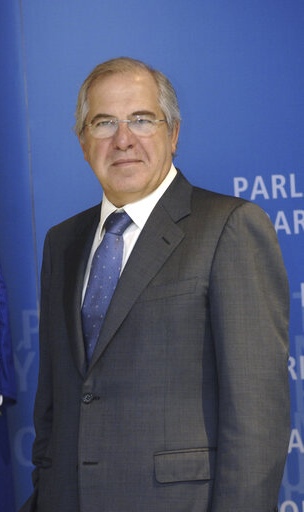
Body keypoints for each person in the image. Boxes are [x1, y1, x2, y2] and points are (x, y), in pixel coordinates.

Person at [20, 57, 290, 512]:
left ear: (174, 134)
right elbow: (53, 406)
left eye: (141, 120)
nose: (123, 140)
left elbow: (257, 423)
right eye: (104, 123)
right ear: (83, 142)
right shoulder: (61, 243)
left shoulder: (230, 228)